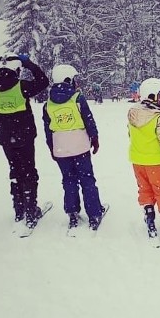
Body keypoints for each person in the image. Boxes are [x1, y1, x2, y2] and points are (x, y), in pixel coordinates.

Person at [0, 51, 49, 229]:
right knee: (29, 171)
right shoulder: (22, 86)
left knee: (15, 170)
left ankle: (19, 209)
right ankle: (31, 210)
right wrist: (29, 65)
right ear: (17, 70)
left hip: (5, 137)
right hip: (24, 136)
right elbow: (43, 82)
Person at [42, 65, 105, 230]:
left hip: (61, 149)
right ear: (69, 80)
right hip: (80, 147)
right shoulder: (77, 98)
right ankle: (94, 213)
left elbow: (48, 129)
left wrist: (51, 147)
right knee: (87, 179)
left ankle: (72, 212)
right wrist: (95, 137)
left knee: (68, 180)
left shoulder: (48, 103)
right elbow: (88, 119)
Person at [128, 77, 160, 241]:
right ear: (152, 96)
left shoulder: (132, 114)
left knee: (144, 189)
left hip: (137, 161)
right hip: (154, 162)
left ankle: (149, 215)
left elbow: (131, 135)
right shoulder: (158, 118)